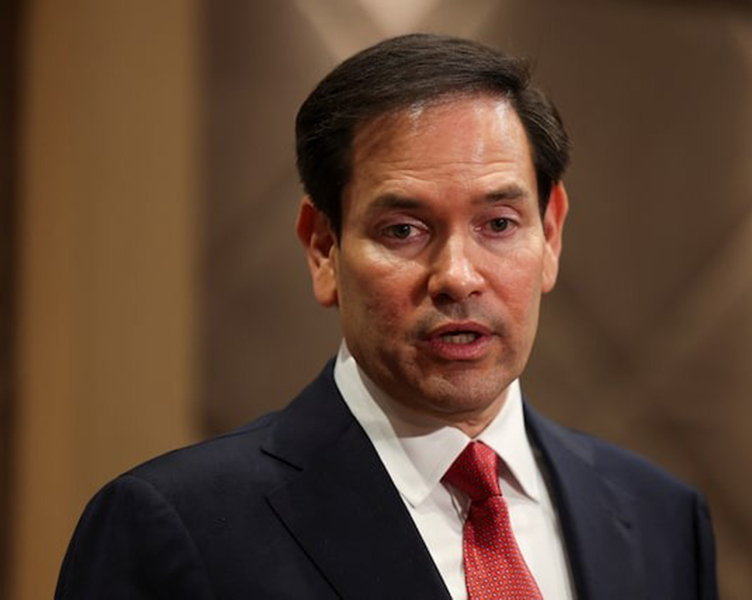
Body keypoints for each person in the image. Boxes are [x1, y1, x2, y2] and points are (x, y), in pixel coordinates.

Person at [56, 33, 718, 599]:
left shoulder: (661, 519)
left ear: (551, 234)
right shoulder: (175, 527)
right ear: (323, 247)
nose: (458, 275)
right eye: (403, 229)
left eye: (498, 223)